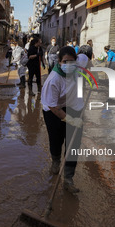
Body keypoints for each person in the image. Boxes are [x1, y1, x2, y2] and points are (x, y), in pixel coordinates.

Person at [41, 46, 86, 193]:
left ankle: (68, 179)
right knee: (56, 139)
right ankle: (55, 161)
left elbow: (87, 61)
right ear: (59, 62)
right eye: (65, 62)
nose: (69, 65)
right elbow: (54, 107)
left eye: (72, 62)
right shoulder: (53, 80)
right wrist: (71, 120)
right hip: (53, 110)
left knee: (73, 145)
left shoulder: (80, 65)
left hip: (74, 107)